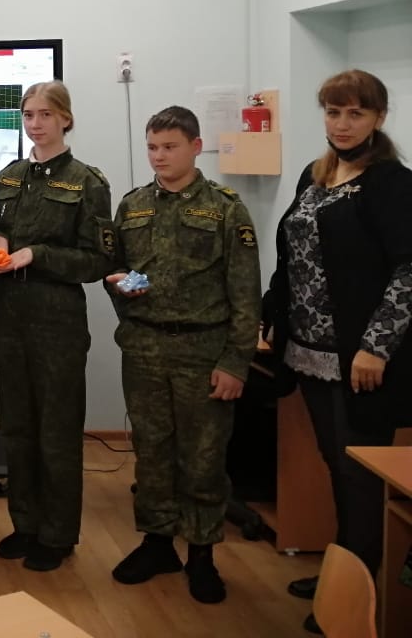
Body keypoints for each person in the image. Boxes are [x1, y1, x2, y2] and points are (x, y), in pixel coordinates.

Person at [262, 70, 412, 635]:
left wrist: (376, 347)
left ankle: (356, 600)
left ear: (378, 117)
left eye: (355, 113)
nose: (342, 124)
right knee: (336, 465)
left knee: (359, 474)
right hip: (308, 351)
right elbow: (293, 255)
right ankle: (342, 572)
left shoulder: (392, 182)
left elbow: (409, 271)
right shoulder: (316, 174)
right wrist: (271, 311)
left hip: (360, 359)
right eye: (333, 112)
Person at [104, 106, 261, 604]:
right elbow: (114, 270)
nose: (159, 156)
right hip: (145, 347)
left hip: (203, 350)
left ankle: (202, 554)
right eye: (152, 147)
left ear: (195, 147)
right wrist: (121, 289)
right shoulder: (132, 206)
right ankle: (157, 543)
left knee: (203, 457)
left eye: (169, 147)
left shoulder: (225, 208)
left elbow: (246, 293)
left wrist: (236, 361)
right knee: (151, 452)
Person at [0, 80, 113, 572]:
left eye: (45, 114)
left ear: (65, 119)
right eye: (29, 115)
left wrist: (37, 254)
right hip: (9, 314)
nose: (35, 124)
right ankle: (25, 524)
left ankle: (57, 534)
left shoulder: (86, 181)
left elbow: (97, 260)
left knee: (56, 429)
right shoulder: (11, 175)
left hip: (56, 319)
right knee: (17, 427)